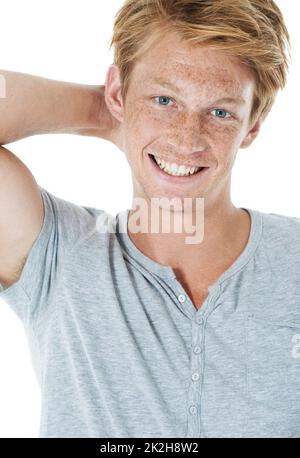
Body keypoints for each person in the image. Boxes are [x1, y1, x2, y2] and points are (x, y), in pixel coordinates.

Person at [0, 0, 298, 439]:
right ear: (119, 92)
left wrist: (142, 109)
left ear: (252, 125)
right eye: (164, 99)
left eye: (220, 112)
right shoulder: (58, 256)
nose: (185, 139)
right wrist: (104, 113)